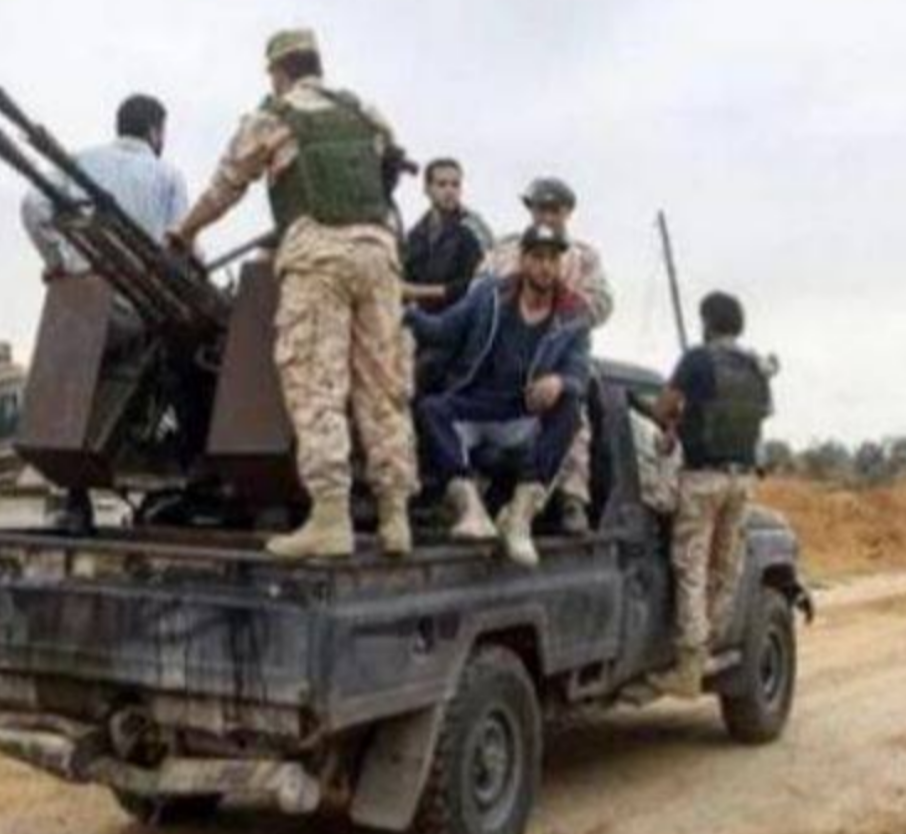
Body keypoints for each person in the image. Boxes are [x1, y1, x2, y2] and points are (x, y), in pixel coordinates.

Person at [167, 28, 416, 558]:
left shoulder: (272, 116)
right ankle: (395, 517)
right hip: (379, 255)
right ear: (316, 64)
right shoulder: (364, 112)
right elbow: (389, 166)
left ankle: (330, 516)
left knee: (316, 381)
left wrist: (185, 232)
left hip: (318, 258)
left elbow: (225, 186)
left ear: (278, 73)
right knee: (383, 386)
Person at [408, 223, 592, 566]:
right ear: (523, 260)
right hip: (475, 406)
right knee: (432, 408)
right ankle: (470, 509)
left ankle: (520, 517)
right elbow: (444, 330)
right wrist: (409, 313)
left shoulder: (573, 314)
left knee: (570, 405)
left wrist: (559, 382)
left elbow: (579, 371)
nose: (545, 266)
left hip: (521, 415)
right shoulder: (490, 295)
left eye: (552, 259)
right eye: (538, 257)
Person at [650, 291, 774, 698]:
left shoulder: (697, 360)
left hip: (702, 479)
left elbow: (662, 408)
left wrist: (675, 418)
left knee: (691, 566)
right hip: (742, 482)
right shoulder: (755, 367)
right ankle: (712, 646)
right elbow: (759, 417)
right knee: (724, 569)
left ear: (707, 322)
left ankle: (689, 664)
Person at [481, 177, 613, 535]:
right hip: (506, 350)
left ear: (567, 212)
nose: (546, 216)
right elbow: (480, 290)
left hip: (561, 349)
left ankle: (572, 498)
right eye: (540, 208)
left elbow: (602, 302)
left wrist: (565, 314)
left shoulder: (582, 257)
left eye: (554, 210)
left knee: (573, 412)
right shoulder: (506, 250)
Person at [21, 93, 189, 282]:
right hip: (143, 291)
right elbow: (182, 240)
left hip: (82, 284)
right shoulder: (171, 176)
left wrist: (60, 262)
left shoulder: (79, 159)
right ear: (153, 132)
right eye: (163, 132)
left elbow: (32, 204)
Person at [401, 158, 490, 315]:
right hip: (420, 317)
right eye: (442, 184)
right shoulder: (416, 233)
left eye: (455, 185)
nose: (450, 191)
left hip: (463, 318)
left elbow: (479, 283)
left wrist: (419, 291)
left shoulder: (473, 227)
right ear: (427, 189)